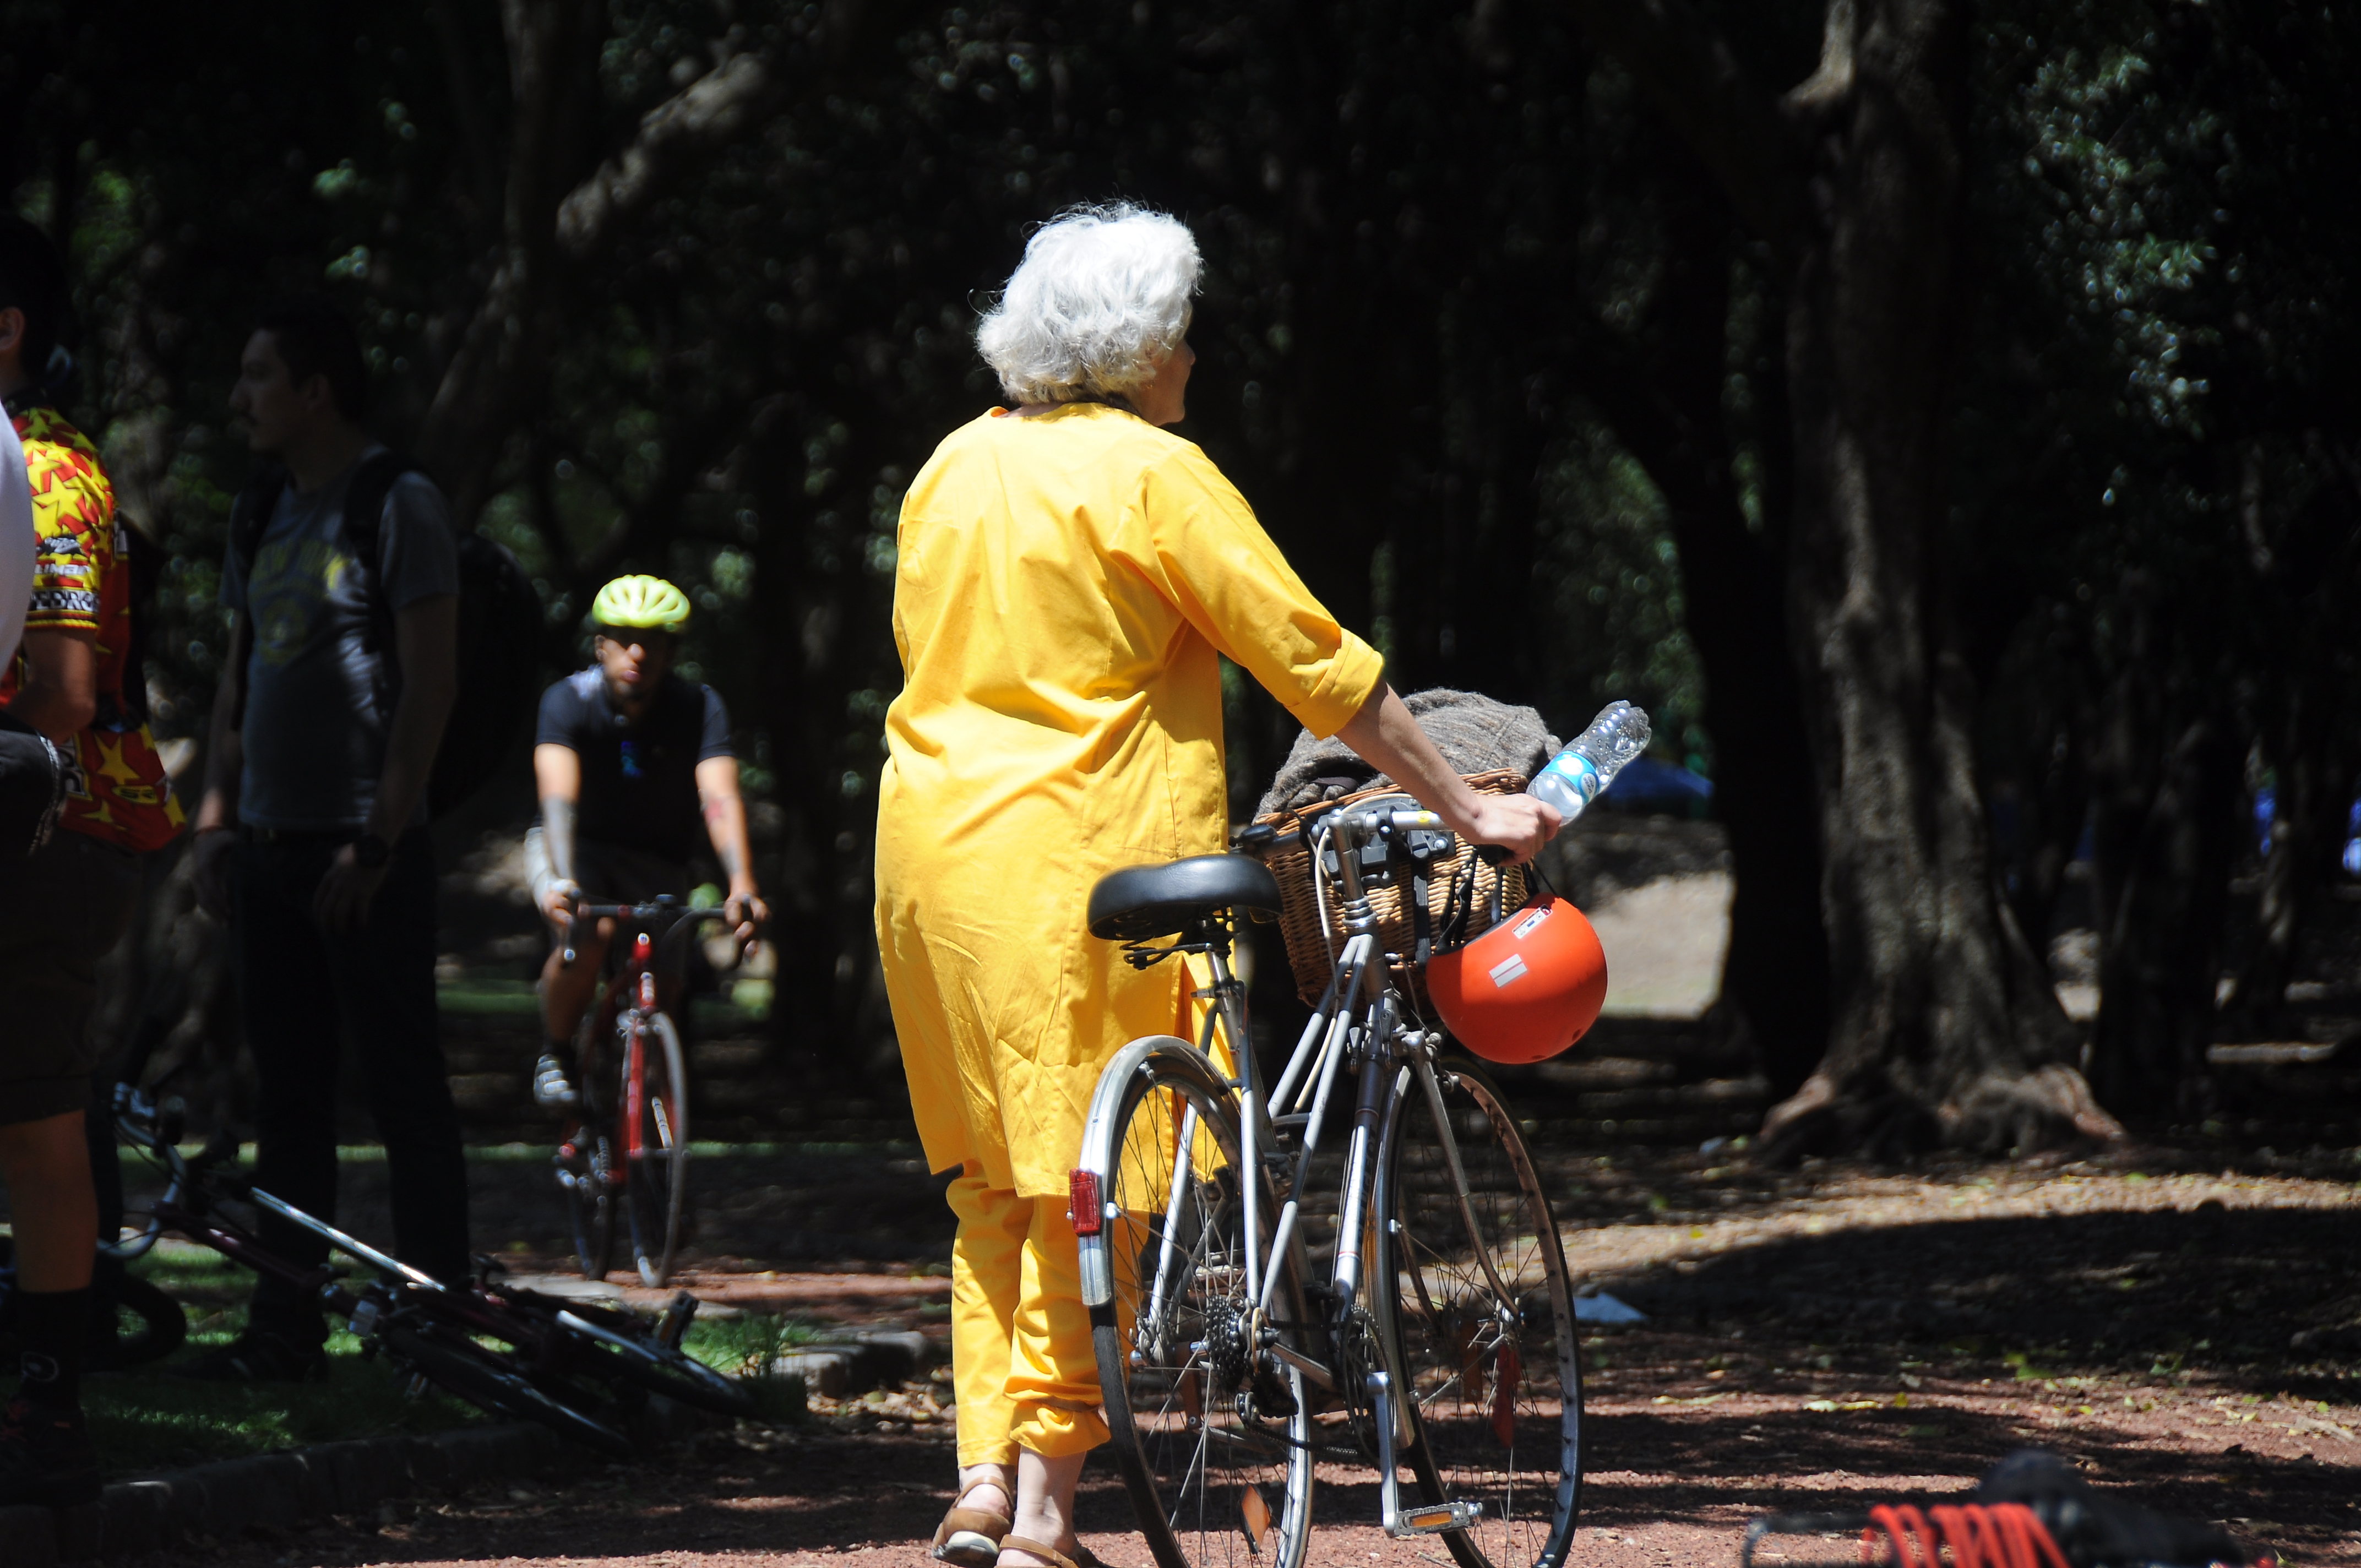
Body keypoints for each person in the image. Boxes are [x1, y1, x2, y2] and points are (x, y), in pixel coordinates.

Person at [874, 204, 1559, 1568]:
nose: (1193, 354)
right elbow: (1314, 662)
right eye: (1182, 331)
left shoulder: (952, 463)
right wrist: (1470, 801)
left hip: (925, 857)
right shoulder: (1151, 471)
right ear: (1136, 347)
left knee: (990, 1184)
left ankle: (981, 1479)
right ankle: (1046, 1516)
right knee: (1089, 1178)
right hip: (1080, 860)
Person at [184, 298, 470, 1380]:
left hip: (365, 858)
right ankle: (284, 1325)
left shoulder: (398, 502)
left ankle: (436, 1323)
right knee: (288, 1100)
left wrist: (379, 841)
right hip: (267, 849)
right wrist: (216, 821)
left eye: (259, 376)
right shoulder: (261, 506)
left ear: (316, 391)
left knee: (405, 1092)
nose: (239, 398)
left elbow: (430, 684)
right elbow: (237, 679)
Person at [0, 215, 183, 1504]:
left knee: (33, 1117)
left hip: (51, 829)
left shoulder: (50, 471)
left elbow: (64, 693)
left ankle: (51, 1410)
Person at [524, 575, 766, 1110]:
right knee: (586, 934)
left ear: (672, 651)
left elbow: (719, 797)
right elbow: (559, 802)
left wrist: (742, 884)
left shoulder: (698, 707)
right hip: (576, 845)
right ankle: (555, 1052)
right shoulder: (567, 701)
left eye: (654, 641)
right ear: (600, 645)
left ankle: (648, 1099)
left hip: (656, 856)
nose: (639, 653)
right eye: (625, 638)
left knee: (667, 980)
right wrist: (562, 880)